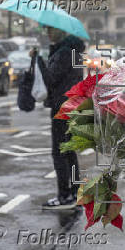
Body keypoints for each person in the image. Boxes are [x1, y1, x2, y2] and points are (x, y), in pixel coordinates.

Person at [30, 26, 84, 209]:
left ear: (62, 31)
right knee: (69, 151)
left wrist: (37, 60)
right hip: (72, 105)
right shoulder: (74, 52)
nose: (48, 33)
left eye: (52, 30)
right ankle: (76, 192)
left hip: (62, 107)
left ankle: (64, 195)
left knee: (60, 152)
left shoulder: (64, 53)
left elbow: (50, 79)